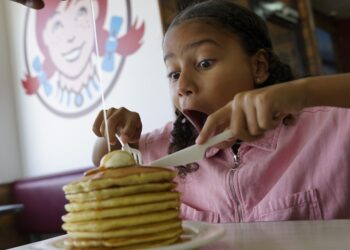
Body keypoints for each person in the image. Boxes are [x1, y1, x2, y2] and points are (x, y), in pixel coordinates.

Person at [92, 0, 350, 222]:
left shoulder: (330, 129)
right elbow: (104, 160)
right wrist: (112, 134)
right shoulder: (169, 148)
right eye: (174, 73)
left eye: (204, 63)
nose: (183, 86)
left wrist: (300, 93)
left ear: (258, 67)